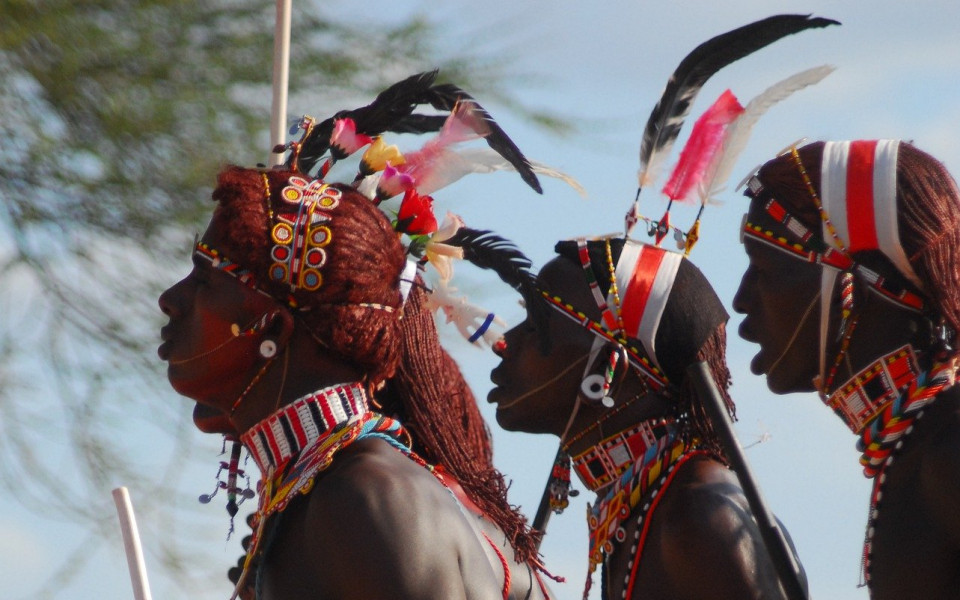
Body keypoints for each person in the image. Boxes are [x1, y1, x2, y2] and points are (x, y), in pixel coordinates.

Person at [158, 73, 553, 600]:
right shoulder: (327, 488)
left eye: (204, 279)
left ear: (271, 327)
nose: (171, 299)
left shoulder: (364, 498)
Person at [479, 234, 805, 599]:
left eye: (536, 325)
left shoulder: (697, 518)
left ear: (608, 368)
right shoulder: (652, 506)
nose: (503, 342)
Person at [733, 140, 960, 599]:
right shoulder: (917, 444)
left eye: (764, 269)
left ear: (849, 283)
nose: (740, 299)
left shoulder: (948, 448)